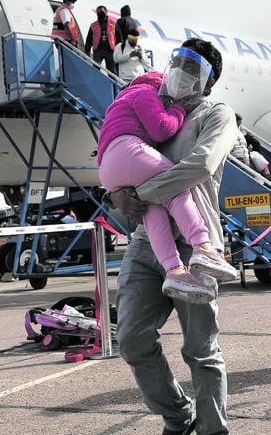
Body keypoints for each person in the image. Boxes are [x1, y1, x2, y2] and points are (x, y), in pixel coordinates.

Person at [107, 38, 237, 435]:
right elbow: (126, 155)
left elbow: (200, 164)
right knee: (130, 339)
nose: (180, 71)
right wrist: (115, 194)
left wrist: (139, 194)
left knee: (200, 349)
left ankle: (214, 429)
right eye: (177, 61)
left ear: (209, 83)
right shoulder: (156, 107)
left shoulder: (217, 115)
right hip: (148, 240)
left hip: (195, 246)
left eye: (192, 68)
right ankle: (177, 415)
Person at [84, 5, 117, 72]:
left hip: (110, 50)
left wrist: (119, 49)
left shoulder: (113, 24)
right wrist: (87, 50)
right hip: (98, 50)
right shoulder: (93, 25)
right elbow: (89, 39)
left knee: (112, 71)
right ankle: (96, 81)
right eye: (99, 12)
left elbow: (118, 37)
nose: (100, 13)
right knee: (96, 69)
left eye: (102, 12)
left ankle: (113, 82)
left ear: (106, 12)